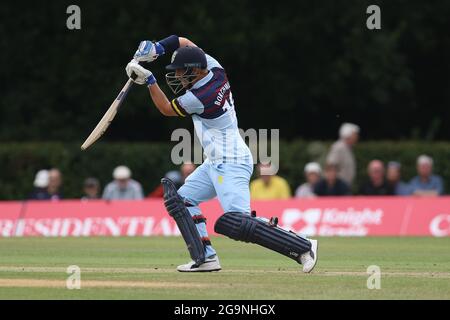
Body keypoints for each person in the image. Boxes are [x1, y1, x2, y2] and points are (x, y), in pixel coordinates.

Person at [126, 35, 318, 273]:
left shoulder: (200, 98)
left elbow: (166, 109)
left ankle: (303, 245)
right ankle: (205, 257)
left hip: (232, 163)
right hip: (215, 162)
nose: (176, 76)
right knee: (182, 201)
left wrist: (149, 80)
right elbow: (183, 42)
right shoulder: (213, 66)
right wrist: (158, 48)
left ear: (195, 72)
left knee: (239, 223)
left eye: (180, 72)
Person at [326, 123, 359, 187]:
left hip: (345, 186)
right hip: (338, 188)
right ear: (348, 135)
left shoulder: (348, 148)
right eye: (355, 134)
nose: (357, 137)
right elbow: (331, 165)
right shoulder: (339, 147)